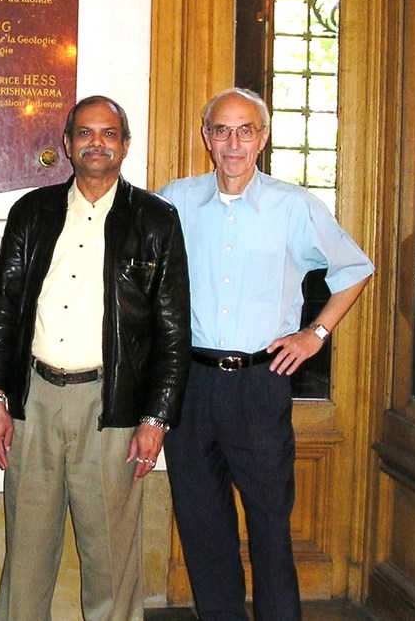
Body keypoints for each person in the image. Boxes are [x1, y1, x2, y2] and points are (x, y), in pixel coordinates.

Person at [0, 95, 191, 621]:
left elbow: (173, 329)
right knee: (26, 550)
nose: (98, 142)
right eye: (86, 133)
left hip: (111, 405)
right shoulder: (33, 212)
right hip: (35, 400)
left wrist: (156, 418)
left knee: (112, 558)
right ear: (68, 145)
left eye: (109, 133)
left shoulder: (156, 220)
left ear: (125, 145)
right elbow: (3, 307)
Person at [159, 88, 374, 620]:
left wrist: (315, 335)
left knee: (270, 528)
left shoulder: (294, 206)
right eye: (222, 130)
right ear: (206, 137)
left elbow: (354, 269)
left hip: (260, 384)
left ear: (263, 136)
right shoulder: (174, 201)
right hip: (191, 385)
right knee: (204, 529)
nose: (233, 143)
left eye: (246, 130)